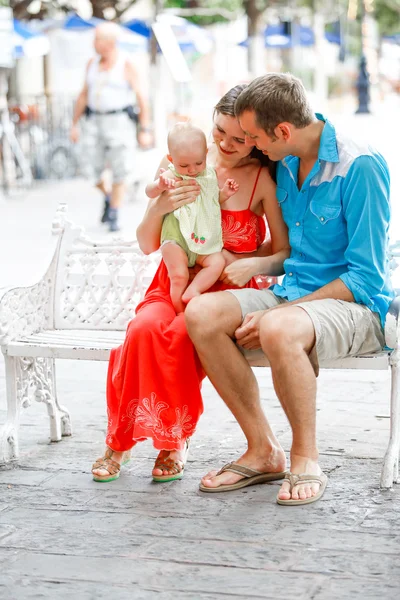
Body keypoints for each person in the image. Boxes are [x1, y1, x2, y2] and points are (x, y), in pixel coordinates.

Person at [185, 73, 393, 506]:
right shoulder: (282, 161)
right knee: (202, 314)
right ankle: (263, 450)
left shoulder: (360, 166)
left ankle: (305, 460)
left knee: (279, 327)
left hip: (354, 305)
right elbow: (289, 253)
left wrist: (284, 311)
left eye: (256, 138)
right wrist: (257, 263)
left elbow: (365, 277)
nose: (252, 147)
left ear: (282, 131)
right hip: (292, 292)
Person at [91, 84, 290, 484]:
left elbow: (283, 252)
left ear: (254, 136)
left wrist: (245, 262)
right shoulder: (185, 160)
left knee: (182, 334)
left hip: (224, 292)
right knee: (143, 328)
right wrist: (160, 208)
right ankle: (119, 439)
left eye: (240, 138)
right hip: (171, 282)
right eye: (220, 131)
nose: (227, 144)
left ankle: (173, 440)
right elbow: (148, 243)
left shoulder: (261, 180)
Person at [146, 122, 239, 313]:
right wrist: (160, 185)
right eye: (184, 165)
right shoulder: (171, 173)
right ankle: (179, 310)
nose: (192, 170)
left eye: (198, 163)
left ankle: (193, 290)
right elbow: (149, 192)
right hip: (177, 238)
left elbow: (212, 200)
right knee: (178, 276)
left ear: (206, 153)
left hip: (203, 238)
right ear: (172, 159)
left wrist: (225, 193)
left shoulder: (210, 174)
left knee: (217, 262)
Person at [70, 22, 152, 232]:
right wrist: (74, 124)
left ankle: (114, 212)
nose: (93, 44)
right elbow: (83, 94)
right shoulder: (91, 64)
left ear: (110, 42)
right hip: (94, 121)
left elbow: (141, 97)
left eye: (97, 39)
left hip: (119, 121)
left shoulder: (125, 63)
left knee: (120, 168)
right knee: (90, 168)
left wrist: (145, 129)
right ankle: (108, 196)